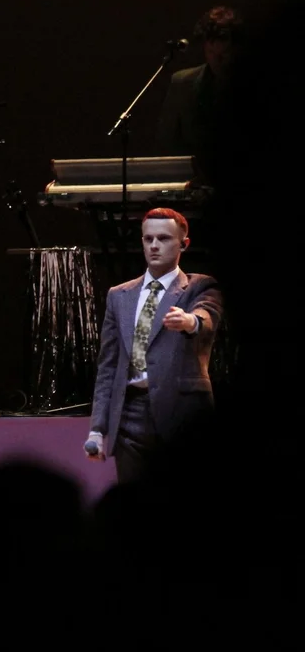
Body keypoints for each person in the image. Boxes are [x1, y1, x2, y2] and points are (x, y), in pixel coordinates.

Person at [84, 207, 223, 484]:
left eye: (164, 238)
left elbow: (207, 315)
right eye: (148, 239)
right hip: (130, 416)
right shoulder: (119, 295)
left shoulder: (199, 286)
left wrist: (190, 321)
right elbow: (108, 366)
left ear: (183, 244)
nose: (154, 246)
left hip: (181, 411)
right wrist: (97, 429)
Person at [156, 5, 243, 167]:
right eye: (211, 52)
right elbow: (167, 140)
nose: (217, 60)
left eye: (225, 54)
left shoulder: (256, 84)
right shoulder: (183, 83)